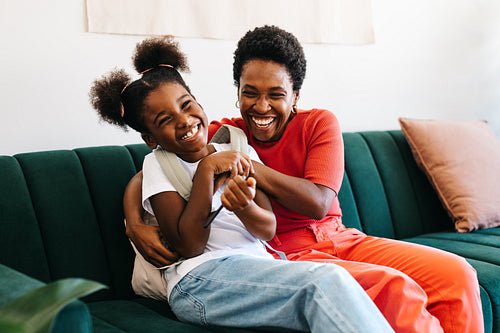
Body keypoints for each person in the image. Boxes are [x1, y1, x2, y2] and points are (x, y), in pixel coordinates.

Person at [124, 27, 484, 333]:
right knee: (396, 291)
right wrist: (134, 222)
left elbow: (317, 203)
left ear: (295, 96)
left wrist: (247, 164)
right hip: (284, 254)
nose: (261, 107)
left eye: (276, 95)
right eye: (250, 93)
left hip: (339, 237)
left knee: (458, 274)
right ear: (237, 93)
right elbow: (158, 165)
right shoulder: (226, 135)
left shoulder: (311, 125)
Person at [90, 36, 393, 332]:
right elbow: (190, 246)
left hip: (259, 266)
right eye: (165, 119)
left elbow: (267, 229)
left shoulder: (237, 148)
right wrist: (207, 173)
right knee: (325, 282)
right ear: (150, 139)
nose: (183, 120)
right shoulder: (157, 164)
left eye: (186, 104)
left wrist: (244, 205)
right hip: (200, 281)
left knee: (335, 286)